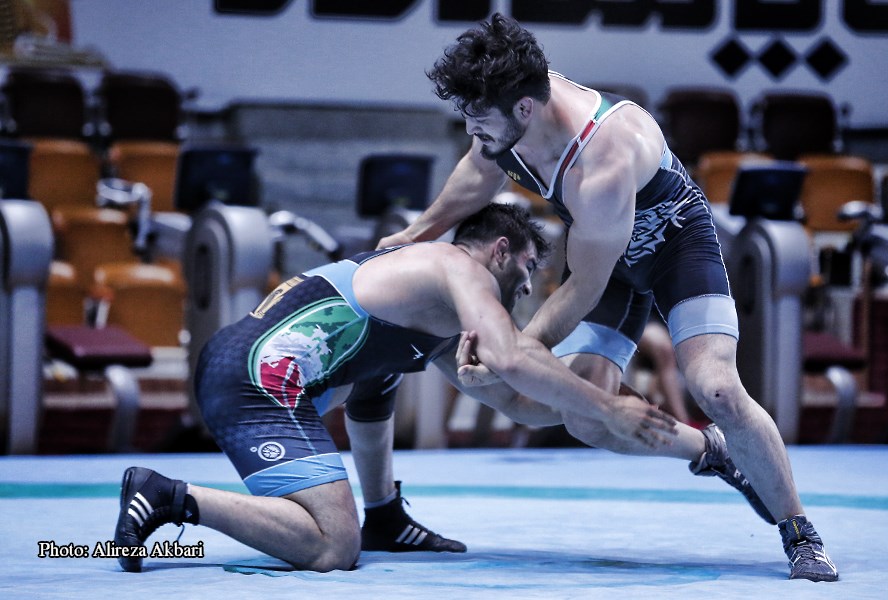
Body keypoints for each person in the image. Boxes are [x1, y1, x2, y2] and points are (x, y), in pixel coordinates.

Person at [376, 13, 838, 582]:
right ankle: (710, 451)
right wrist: (411, 236)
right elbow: (478, 173)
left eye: (480, 119)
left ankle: (800, 533)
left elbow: (583, 286)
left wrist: (507, 351)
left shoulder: (604, 154)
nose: (473, 129)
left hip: (674, 249)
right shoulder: (508, 112)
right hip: (605, 258)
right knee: (585, 418)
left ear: (525, 108)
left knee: (716, 387)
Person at [112, 203, 680, 573]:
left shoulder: (433, 311)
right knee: (334, 546)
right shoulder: (458, 267)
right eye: (528, 267)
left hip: (261, 373)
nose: (529, 286)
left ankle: (384, 514)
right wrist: (606, 406)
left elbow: (516, 401)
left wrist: (592, 409)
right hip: (254, 377)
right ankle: (168, 495)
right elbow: (512, 357)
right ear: (500, 250)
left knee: (377, 375)